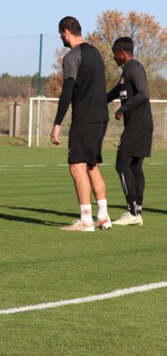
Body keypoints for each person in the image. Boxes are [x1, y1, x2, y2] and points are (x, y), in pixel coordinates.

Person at [50, 16, 111, 232]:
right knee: (92, 165)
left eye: (61, 34)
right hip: (102, 116)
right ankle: (103, 216)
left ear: (66, 31)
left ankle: (86, 220)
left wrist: (57, 123)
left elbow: (67, 92)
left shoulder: (71, 57)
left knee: (77, 166)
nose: (61, 38)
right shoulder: (96, 53)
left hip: (85, 118)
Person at [107, 37, 152, 226]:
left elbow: (143, 94)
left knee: (121, 164)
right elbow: (117, 90)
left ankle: (132, 212)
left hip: (138, 126)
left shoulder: (134, 67)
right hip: (140, 125)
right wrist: (100, 101)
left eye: (114, 54)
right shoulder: (126, 72)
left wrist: (121, 110)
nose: (114, 58)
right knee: (134, 167)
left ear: (122, 53)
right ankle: (137, 211)